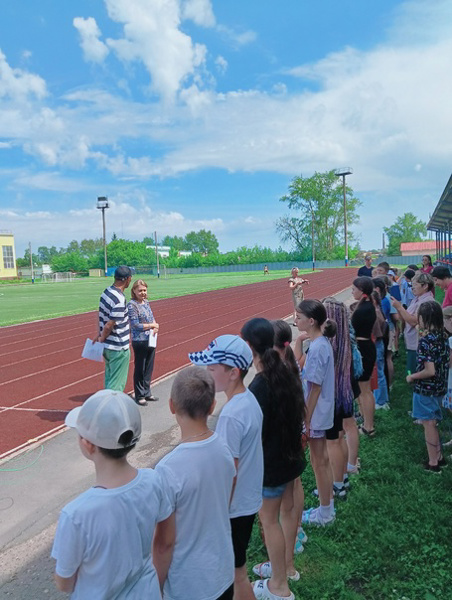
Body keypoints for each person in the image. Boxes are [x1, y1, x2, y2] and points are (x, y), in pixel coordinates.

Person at [51, 390, 172, 599]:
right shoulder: (154, 481)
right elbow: (166, 540)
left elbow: (64, 583)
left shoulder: (76, 515)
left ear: (87, 444)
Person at [188, 335, 263, 600]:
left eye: (212, 368)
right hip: (247, 501)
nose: (207, 373)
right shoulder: (247, 400)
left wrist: (217, 511)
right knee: (237, 570)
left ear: (233, 372)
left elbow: (228, 472)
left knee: (234, 574)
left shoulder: (232, 415)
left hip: (234, 508)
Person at [153, 367, 236, 600]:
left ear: (171, 406)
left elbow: (164, 544)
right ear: (211, 406)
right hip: (222, 572)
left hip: (188, 585)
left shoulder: (167, 469)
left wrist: (155, 588)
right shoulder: (224, 450)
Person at [241, 318, 305, 600]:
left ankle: (279, 585)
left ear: (248, 346)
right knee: (286, 512)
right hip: (290, 458)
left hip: (272, 465)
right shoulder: (286, 371)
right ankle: (286, 567)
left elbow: (254, 432)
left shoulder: (259, 385)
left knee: (270, 521)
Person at [295, 300, 335, 527]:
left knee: (318, 462)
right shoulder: (320, 343)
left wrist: (306, 419)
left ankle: (326, 513)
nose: (296, 320)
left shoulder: (319, 347)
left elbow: (315, 387)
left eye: (299, 317)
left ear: (311, 321)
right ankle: (325, 506)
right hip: (320, 410)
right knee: (321, 460)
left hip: (317, 412)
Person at [320, 298, 357, 497]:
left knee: (332, 442)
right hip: (344, 394)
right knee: (339, 438)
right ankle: (341, 478)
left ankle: (337, 484)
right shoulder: (345, 340)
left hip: (332, 398)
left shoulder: (327, 344)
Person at [406, 301, 449, 472]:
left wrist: (412, 376)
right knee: (433, 422)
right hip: (439, 386)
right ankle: (439, 456)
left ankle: (433, 463)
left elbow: (429, 370)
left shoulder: (426, 342)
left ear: (423, 318)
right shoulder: (442, 336)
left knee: (428, 424)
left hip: (426, 389)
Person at [391, 273, 435, 375]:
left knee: (414, 372)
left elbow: (413, 321)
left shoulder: (427, 301)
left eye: (414, 285)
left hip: (418, 343)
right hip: (413, 342)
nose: (412, 287)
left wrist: (399, 307)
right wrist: (399, 308)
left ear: (425, 286)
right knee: (411, 370)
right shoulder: (417, 298)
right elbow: (406, 317)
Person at [97, 266, 132, 391]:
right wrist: (102, 337)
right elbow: (109, 325)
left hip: (107, 347)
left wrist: (101, 337)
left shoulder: (106, 292)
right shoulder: (119, 299)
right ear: (128, 279)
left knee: (109, 380)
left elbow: (103, 318)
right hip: (118, 347)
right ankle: (110, 409)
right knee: (116, 385)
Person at [350, 277, 377, 436]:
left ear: (361, 290)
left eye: (354, 289)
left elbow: (352, 328)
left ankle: (369, 426)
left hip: (364, 350)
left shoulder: (364, 308)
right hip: (365, 348)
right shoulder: (365, 305)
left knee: (365, 390)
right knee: (363, 389)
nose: (352, 291)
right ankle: (366, 420)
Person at [127, 279, 159, 406]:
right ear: (134, 291)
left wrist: (155, 326)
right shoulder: (132, 305)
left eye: (144, 290)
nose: (143, 293)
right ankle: (139, 395)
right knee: (140, 368)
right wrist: (151, 325)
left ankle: (147, 392)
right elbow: (135, 325)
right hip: (139, 341)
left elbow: (151, 317)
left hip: (150, 339)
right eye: (140, 290)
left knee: (148, 368)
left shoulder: (146, 303)